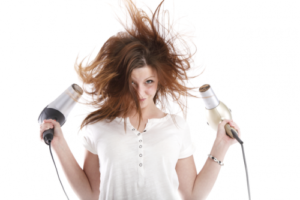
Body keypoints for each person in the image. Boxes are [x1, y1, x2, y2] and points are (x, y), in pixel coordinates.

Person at [39, 0, 241, 199]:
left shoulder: (176, 126)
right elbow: (91, 194)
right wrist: (59, 144)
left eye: (149, 81)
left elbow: (192, 194)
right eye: (132, 82)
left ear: (159, 80)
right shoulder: (99, 126)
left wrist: (221, 145)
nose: (140, 92)